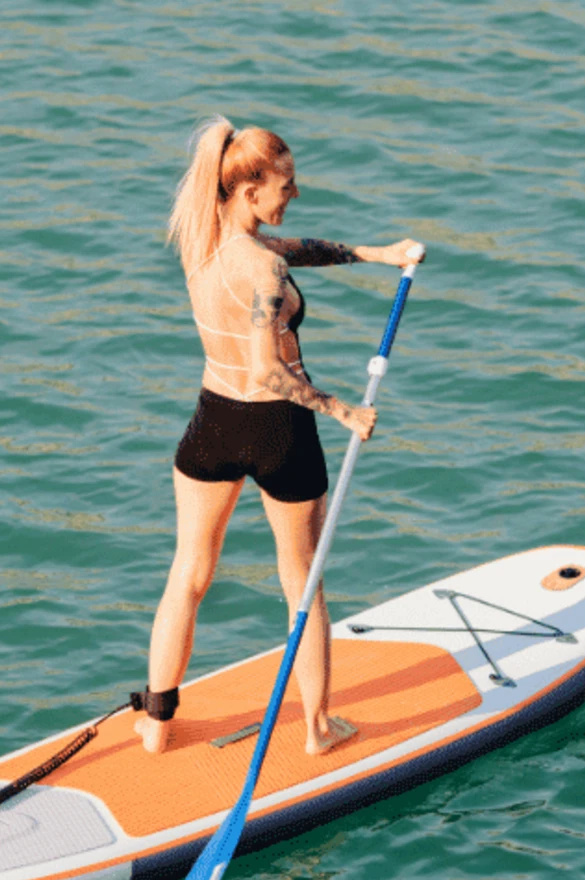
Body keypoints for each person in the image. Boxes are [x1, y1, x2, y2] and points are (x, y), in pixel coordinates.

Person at [129, 117, 424, 756]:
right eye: (285, 186)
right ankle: (316, 728)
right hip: (278, 428)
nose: (294, 194)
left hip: (213, 422)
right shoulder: (262, 268)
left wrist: (377, 254)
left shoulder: (201, 238)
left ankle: (156, 723)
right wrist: (342, 411)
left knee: (188, 573)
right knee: (302, 583)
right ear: (249, 191)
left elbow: (295, 249)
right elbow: (268, 369)